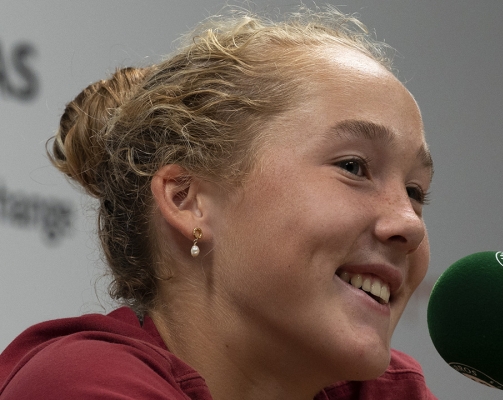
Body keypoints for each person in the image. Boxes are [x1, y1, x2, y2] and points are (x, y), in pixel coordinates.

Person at [0, 6, 436, 400]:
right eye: (353, 167)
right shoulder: (81, 385)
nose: (411, 224)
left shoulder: (390, 392)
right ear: (187, 199)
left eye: (415, 192)